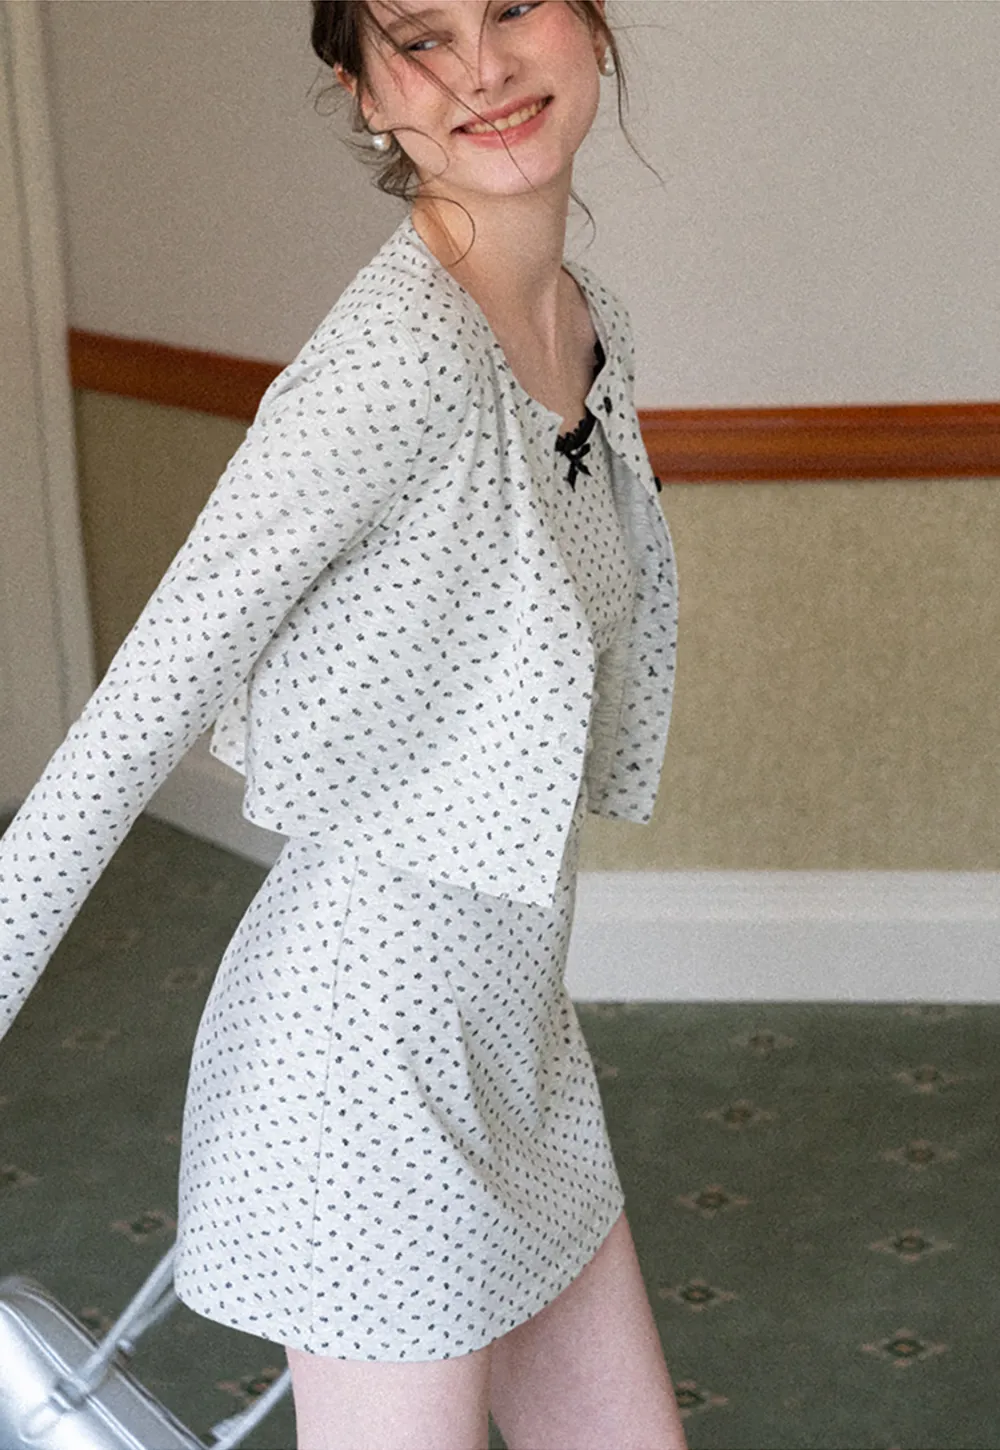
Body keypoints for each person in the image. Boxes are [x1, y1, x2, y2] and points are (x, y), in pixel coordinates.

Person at [0, 1, 687, 1445]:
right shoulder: (395, 359)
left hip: (515, 1033)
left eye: (515, 5)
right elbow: (141, 707)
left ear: (592, 25)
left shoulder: (589, 324)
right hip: (366, 1057)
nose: (484, 66)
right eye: (421, 38)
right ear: (365, 92)